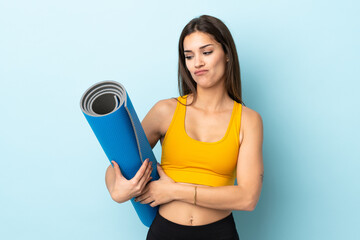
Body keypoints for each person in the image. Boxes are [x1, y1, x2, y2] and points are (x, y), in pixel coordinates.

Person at [105, 15, 264, 240]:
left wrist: (174, 191)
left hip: (219, 233)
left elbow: (247, 198)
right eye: (189, 56)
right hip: (164, 232)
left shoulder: (248, 120)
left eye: (206, 52)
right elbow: (117, 164)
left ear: (227, 54)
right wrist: (116, 189)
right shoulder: (166, 111)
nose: (197, 63)